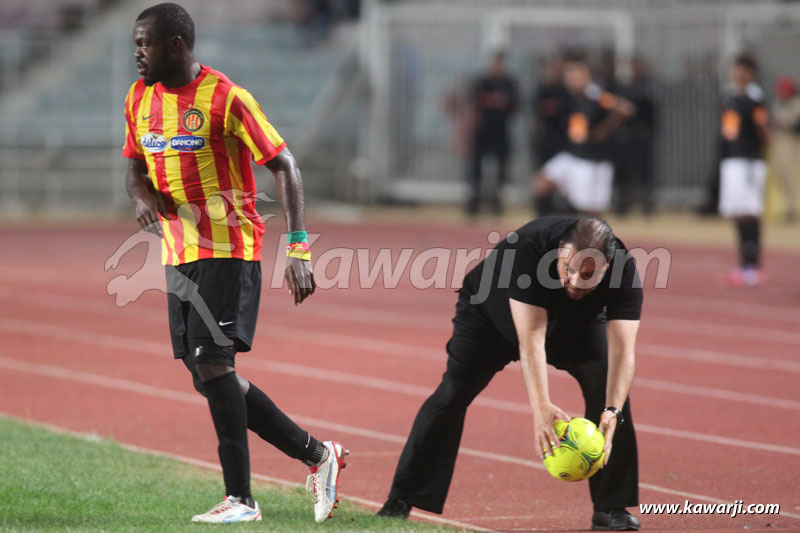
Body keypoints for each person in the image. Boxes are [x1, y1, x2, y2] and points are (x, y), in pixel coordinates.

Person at [122, 3, 347, 523]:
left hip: (228, 246)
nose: (137, 54)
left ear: (176, 44)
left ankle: (241, 500)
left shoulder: (226, 98)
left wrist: (298, 248)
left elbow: (284, 164)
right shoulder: (139, 98)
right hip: (178, 252)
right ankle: (319, 455)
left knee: (213, 365)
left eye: (144, 44)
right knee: (208, 375)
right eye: (135, 44)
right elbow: (134, 167)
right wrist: (139, 196)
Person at [378, 216, 643, 531]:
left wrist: (613, 409)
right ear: (559, 252)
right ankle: (402, 498)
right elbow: (531, 340)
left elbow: (623, 352)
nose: (573, 280)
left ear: (607, 267)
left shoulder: (624, 270)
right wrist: (540, 406)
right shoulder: (528, 249)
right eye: (567, 268)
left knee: (611, 392)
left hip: (575, 323)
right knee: (454, 393)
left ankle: (610, 507)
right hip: (489, 318)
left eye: (586, 275)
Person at [533, 51, 633, 216]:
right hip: (573, 155)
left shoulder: (597, 97)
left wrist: (605, 128)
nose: (570, 80)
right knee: (542, 184)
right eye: (568, 76)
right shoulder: (569, 97)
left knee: (589, 211)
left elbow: (624, 109)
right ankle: (546, 225)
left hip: (593, 160)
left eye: (575, 76)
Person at [718, 54, 769, 287]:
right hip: (732, 161)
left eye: (740, 69)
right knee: (737, 211)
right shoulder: (731, 98)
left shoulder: (755, 100)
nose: (735, 74)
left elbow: (763, 131)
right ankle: (743, 263)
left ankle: (753, 265)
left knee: (750, 211)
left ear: (750, 73)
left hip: (749, 161)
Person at [466, 51, 519, 217]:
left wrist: (505, 104)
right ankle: (474, 202)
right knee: (476, 167)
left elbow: (516, 106)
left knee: (501, 168)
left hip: (500, 132)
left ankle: (496, 203)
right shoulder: (481, 82)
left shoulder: (509, 84)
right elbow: (472, 104)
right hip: (482, 131)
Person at [613, 56, 657, 216]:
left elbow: (652, 116)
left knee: (644, 171)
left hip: (641, 136)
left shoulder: (646, 89)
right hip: (624, 136)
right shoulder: (622, 89)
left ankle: (646, 204)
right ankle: (623, 204)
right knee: (623, 171)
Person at [770, 75, 800, 222]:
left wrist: (781, 124)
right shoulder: (779, 104)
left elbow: (793, 124)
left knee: (793, 176)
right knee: (782, 176)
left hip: (792, 143)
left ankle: (794, 208)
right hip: (779, 143)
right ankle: (789, 209)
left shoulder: (796, 104)